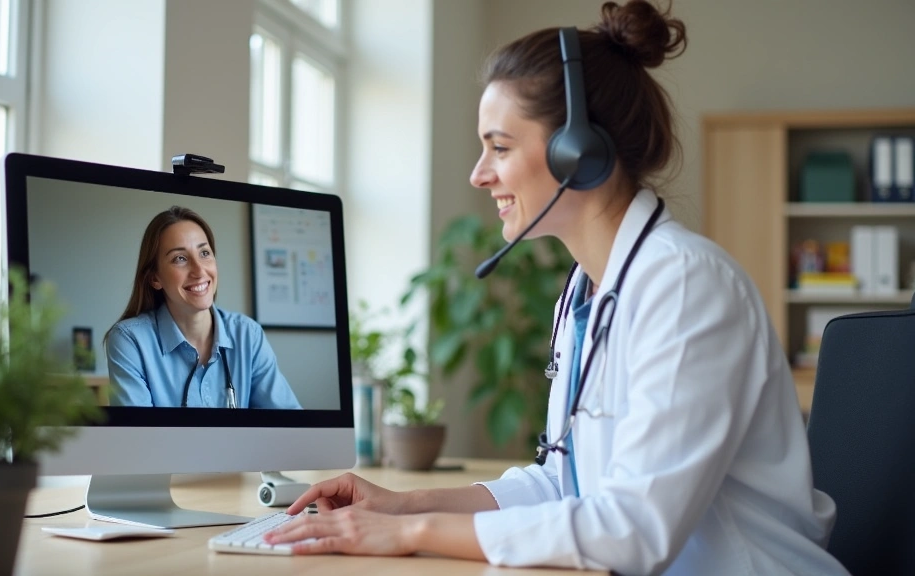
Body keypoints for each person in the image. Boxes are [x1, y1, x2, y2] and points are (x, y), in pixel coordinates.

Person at [264, 1, 848, 573]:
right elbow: (562, 480)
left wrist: (409, 533)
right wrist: (402, 504)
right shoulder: (585, 292)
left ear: (580, 152)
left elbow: (632, 531)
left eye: (499, 146)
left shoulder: (685, 285)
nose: (478, 173)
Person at [106, 206, 301, 410]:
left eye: (204, 253)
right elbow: (138, 437)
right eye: (180, 258)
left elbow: (291, 427)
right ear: (155, 278)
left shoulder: (248, 335)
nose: (199, 271)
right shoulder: (130, 340)